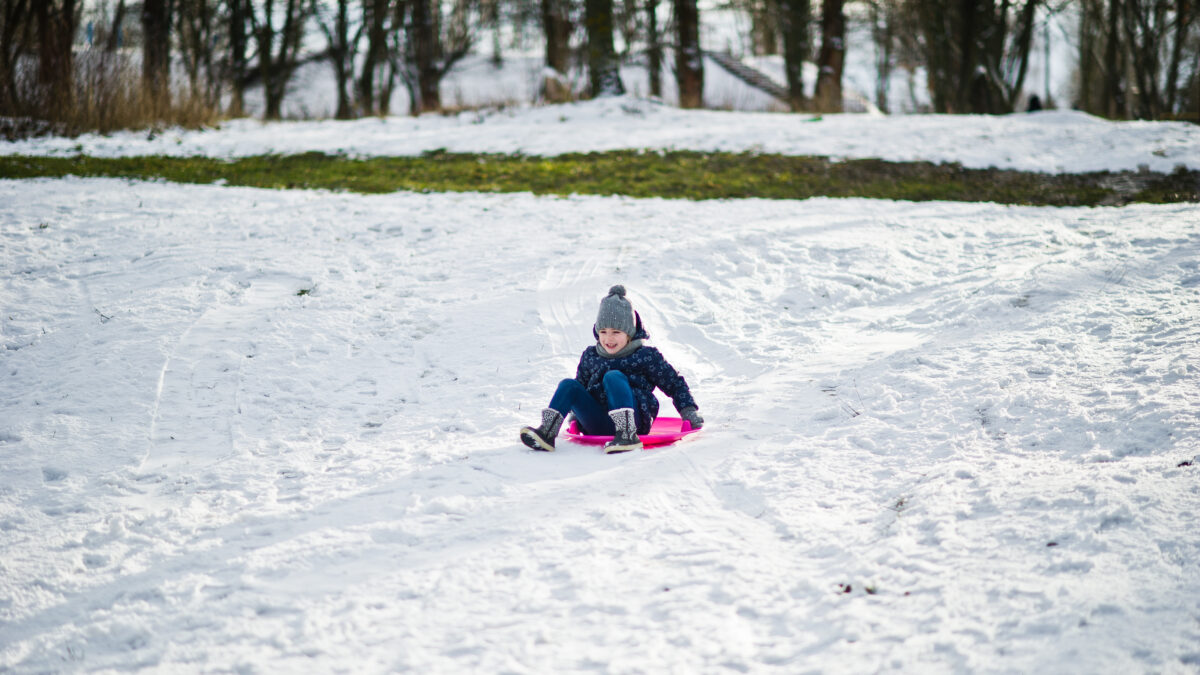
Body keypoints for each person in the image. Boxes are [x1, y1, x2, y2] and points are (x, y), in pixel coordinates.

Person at [520, 285, 704, 454]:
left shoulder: (645, 356)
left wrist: (688, 411)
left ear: (629, 333)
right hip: (597, 422)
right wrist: (576, 417)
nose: (608, 339)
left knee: (613, 377)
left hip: (635, 422)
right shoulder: (591, 356)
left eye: (616, 332)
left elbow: (674, 384)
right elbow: (580, 388)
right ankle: (547, 433)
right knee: (569, 385)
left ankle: (626, 435)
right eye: (603, 332)